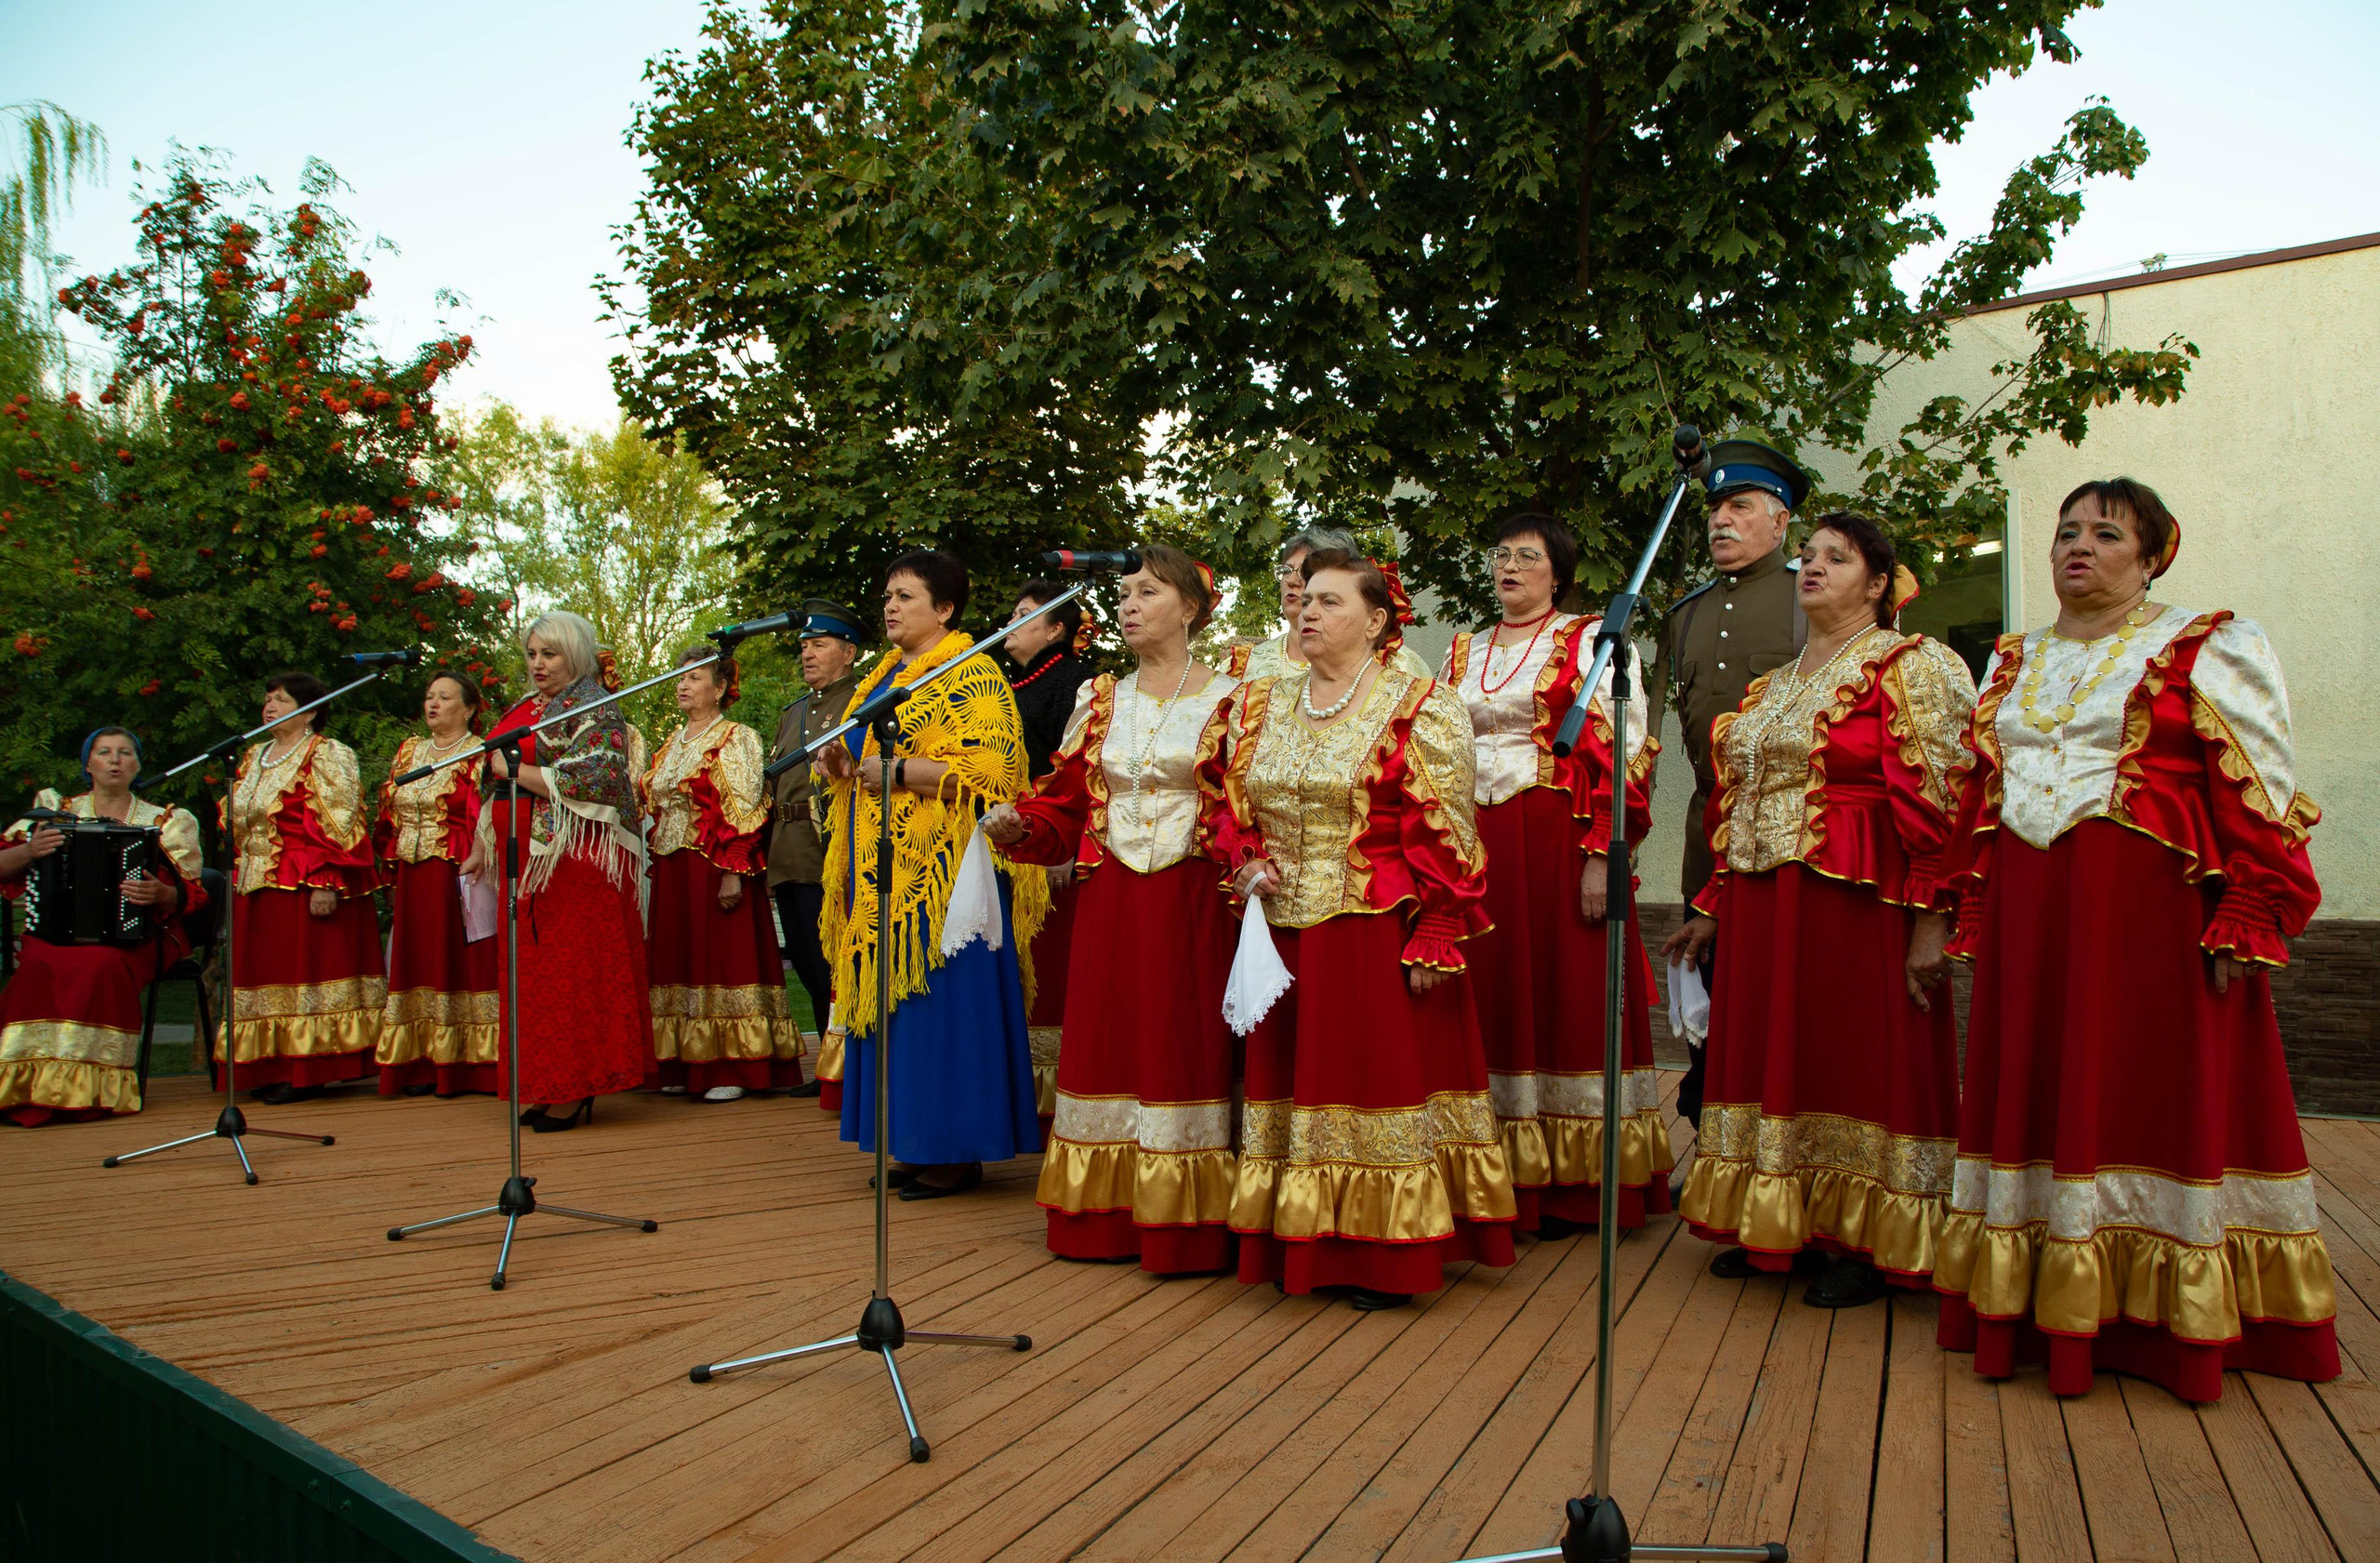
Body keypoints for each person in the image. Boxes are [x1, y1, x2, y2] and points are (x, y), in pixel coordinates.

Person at [1933, 479, 2337, 1401]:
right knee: (2037, 1088)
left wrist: (2251, 907)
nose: (2078, 546)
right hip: (2036, 919)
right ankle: (2038, 1300)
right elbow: (1983, 798)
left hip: (2150, 916)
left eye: (2105, 533)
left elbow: (2259, 784)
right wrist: (1974, 900)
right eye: (2066, 531)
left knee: (2153, 1089)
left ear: (2152, 555)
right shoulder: (2013, 658)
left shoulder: (2205, 644)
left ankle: (2164, 1322)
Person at [1662, 515, 1976, 1309]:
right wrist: (1714, 903)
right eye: (1808, 555)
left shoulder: (1914, 664)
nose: (1813, 566)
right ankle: (1780, 1223)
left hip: (1859, 902)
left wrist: (1933, 921)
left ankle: (1869, 1240)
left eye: (1838, 558)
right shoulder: (1774, 686)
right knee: (1775, 1057)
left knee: (1854, 1058)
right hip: (1767, 904)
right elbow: (1747, 805)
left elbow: (1949, 798)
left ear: (1877, 584)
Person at [1201, 550, 1516, 1309]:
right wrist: (1244, 859)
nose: (1309, 612)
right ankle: (1303, 1239)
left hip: (1373, 930)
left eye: (1330, 602)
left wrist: (1438, 928)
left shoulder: (1418, 704)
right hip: (1283, 935)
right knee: (1298, 1098)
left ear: (1376, 621)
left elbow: (1448, 828)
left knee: (1372, 1092)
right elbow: (1224, 804)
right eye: (1305, 599)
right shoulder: (1257, 702)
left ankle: (1382, 1256)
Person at [984, 545, 1242, 1273]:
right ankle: (1101, 1219)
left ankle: (1185, 1223)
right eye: (1125, 593)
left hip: (1195, 897)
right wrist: (1024, 825)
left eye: (1147, 592)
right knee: (1107, 1037)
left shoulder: (1234, 698)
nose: (1128, 605)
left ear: (1190, 607)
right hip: (1110, 895)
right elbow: (1067, 800)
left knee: (1181, 1040)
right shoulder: (1100, 698)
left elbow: (1244, 805)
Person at [1443, 513, 1669, 1237]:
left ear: (1558, 571)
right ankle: (1496, 1165)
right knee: (1493, 990)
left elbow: (1628, 750)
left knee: (1563, 993)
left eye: (1528, 556)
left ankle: (1577, 1180)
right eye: (1501, 553)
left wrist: (1604, 849)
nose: (1510, 566)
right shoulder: (1459, 651)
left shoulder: (1593, 640)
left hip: (1556, 837)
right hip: (1477, 846)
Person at [817, 550, 1045, 1198]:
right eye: (887, 594)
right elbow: (862, 762)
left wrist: (899, 772)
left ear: (945, 608)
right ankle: (913, 1139)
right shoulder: (882, 680)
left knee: (943, 1005)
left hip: (948, 874)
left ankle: (954, 1147)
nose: (890, 605)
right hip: (882, 870)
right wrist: (840, 762)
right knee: (898, 1009)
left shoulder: (973, 675)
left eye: (906, 595)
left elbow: (996, 774)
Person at [1653, 440, 1810, 1129]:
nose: (1721, 520)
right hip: (1704, 836)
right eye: (1715, 508)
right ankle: (1720, 1155)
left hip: (1792, 837)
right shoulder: (1685, 613)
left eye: (1740, 506)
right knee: (1712, 1011)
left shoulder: (1811, 600)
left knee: (1786, 1014)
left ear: (1780, 522)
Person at [463, 611, 654, 1131]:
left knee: (570, 972)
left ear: (576, 654)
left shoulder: (594, 706)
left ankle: (578, 1087)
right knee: (533, 976)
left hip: (574, 864)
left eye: (549, 653)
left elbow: (600, 778)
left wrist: (515, 771)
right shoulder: (527, 707)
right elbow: (493, 774)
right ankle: (545, 1083)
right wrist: (483, 843)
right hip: (523, 860)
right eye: (531, 654)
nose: (538, 664)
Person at [0, 729, 204, 1124]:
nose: (115, 760)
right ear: (88, 764)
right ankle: (22, 1086)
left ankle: (87, 1091)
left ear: (138, 765)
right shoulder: (51, 812)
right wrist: (29, 851)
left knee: (99, 964)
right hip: (55, 932)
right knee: (40, 965)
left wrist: (160, 893)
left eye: (125, 753)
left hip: (137, 937)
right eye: (105, 753)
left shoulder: (166, 821)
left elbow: (191, 893)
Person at [642, 644, 802, 1102]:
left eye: (694, 678)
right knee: (677, 959)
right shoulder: (673, 741)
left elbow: (749, 807)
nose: (683, 685)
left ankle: (734, 1064)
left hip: (713, 866)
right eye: (681, 677)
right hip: (674, 867)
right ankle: (680, 1061)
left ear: (719, 688)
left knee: (721, 961)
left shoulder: (736, 737)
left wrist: (735, 869)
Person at [220, 671, 385, 1103]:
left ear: (310, 711)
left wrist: (327, 880)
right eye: (267, 699)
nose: (269, 707)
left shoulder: (326, 753)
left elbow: (341, 820)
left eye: (281, 700)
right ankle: (270, 1066)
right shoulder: (254, 756)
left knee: (304, 977)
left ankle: (305, 1071)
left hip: (304, 882)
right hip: (258, 884)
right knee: (267, 980)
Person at [374, 672, 499, 1097]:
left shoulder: (479, 754)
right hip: (412, 870)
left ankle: (469, 1066)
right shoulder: (409, 750)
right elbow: (388, 813)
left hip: (458, 869)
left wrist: (481, 853)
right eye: (429, 697)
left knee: (458, 961)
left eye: (445, 697)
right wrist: (391, 867)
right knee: (417, 960)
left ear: (468, 709)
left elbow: (488, 809)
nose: (434, 704)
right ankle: (420, 1061)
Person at [1001, 579, 1095, 1133]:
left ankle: (1054, 1109)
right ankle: (1019, 1099)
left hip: (1055, 848)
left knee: (1051, 977)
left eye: (1024, 615)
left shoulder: (1076, 683)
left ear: (1056, 628)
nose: (1010, 624)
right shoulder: (1012, 683)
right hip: (1016, 836)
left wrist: (1073, 844)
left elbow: (1079, 774)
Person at [765, 600, 867, 1105]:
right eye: (804, 645)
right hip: (790, 849)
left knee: (837, 958)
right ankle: (831, 1061)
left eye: (819, 644)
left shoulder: (862, 701)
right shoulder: (794, 713)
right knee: (807, 958)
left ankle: (850, 1065)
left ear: (848, 653)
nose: (807, 653)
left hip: (836, 845)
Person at [1225, 527, 1434, 682]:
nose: (1291, 580)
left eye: (1305, 572)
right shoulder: (1244, 666)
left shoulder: (1398, 664)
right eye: (1286, 570)